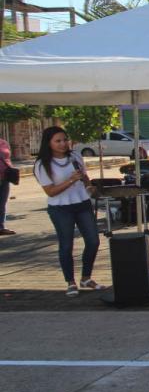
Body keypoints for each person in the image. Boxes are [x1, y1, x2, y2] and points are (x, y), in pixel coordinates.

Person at [33, 126, 106, 296]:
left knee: (93, 241)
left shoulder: (74, 156)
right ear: (48, 143)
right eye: (57, 141)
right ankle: (70, 282)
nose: (63, 144)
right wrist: (70, 180)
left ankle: (86, 277)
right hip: (60, 208)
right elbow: (50, 191)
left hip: (82, 203)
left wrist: (89, 186)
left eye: (65, 140)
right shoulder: (42, 163)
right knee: (66, 244)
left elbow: (84, 175)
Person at [0, 137, 14, 235]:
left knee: (2, 202)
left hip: (5, 177)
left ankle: (1, 227)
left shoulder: (3, 142)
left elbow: (7, 158)